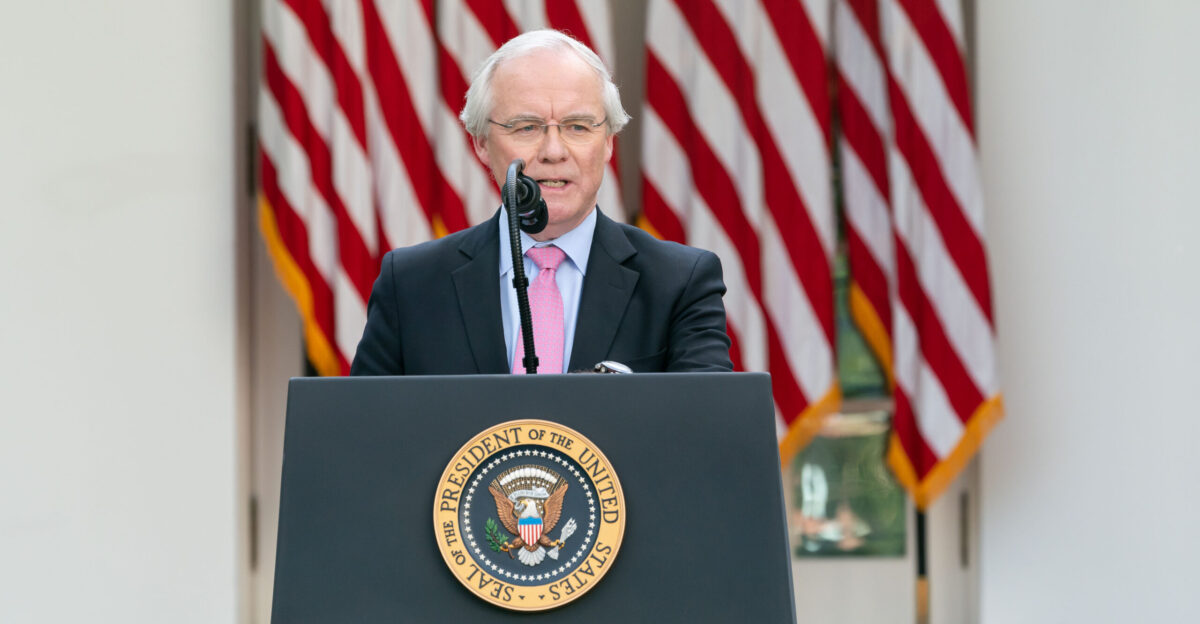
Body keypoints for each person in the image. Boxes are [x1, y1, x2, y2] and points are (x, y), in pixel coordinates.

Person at [350, 29, 732, 376]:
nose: (553, 151)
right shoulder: (412, 284)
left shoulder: (680, 283)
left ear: (609, 142)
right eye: (527, 127)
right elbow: (361, 434)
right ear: (481, 142)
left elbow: (708, 435)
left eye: (578, 127)